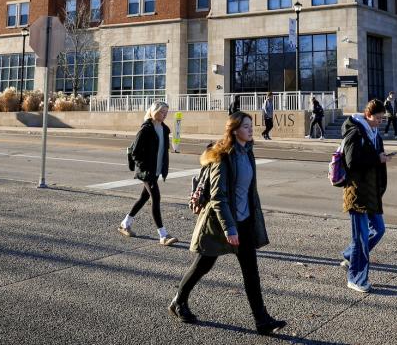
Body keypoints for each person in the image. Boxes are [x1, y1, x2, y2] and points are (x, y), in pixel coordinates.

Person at [169, 111, 286, 335]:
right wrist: (229, 228)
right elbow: (218, 197)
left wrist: (250, 221)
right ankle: (178, 301)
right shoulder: (223, 157)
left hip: (244, 222)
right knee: (203, 265)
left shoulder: (248, 152)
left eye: (251, 125)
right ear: (234, 130)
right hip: (220, 223)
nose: (250, 129)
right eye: (245, 126)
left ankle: (262, 321)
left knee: (251, 272)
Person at [340, 98, 392, 294]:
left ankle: (349, 256)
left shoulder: (374, 133)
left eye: (382, 118)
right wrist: (376, 158)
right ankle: (356, 278)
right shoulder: (356, 131)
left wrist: (382, 159)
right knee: (361, 239)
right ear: (368, 115)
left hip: (371, 191)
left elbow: (375, 158)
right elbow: (351, 161)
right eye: (378, 118)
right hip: (357, 192)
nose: (381, 121)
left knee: (378, 229)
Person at [117, 101, 178, 245]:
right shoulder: (146, 129)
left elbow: (163, 152)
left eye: (166, 112)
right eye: (162, 112)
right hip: (148, 171)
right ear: (154, 111)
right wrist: (144, 168)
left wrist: (163, 169)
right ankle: (163, 235)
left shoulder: (164, 129)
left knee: (144, 197)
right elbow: (136, 152)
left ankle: (125, 224)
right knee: (156, 198)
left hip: (156, 170)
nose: (165, 114)